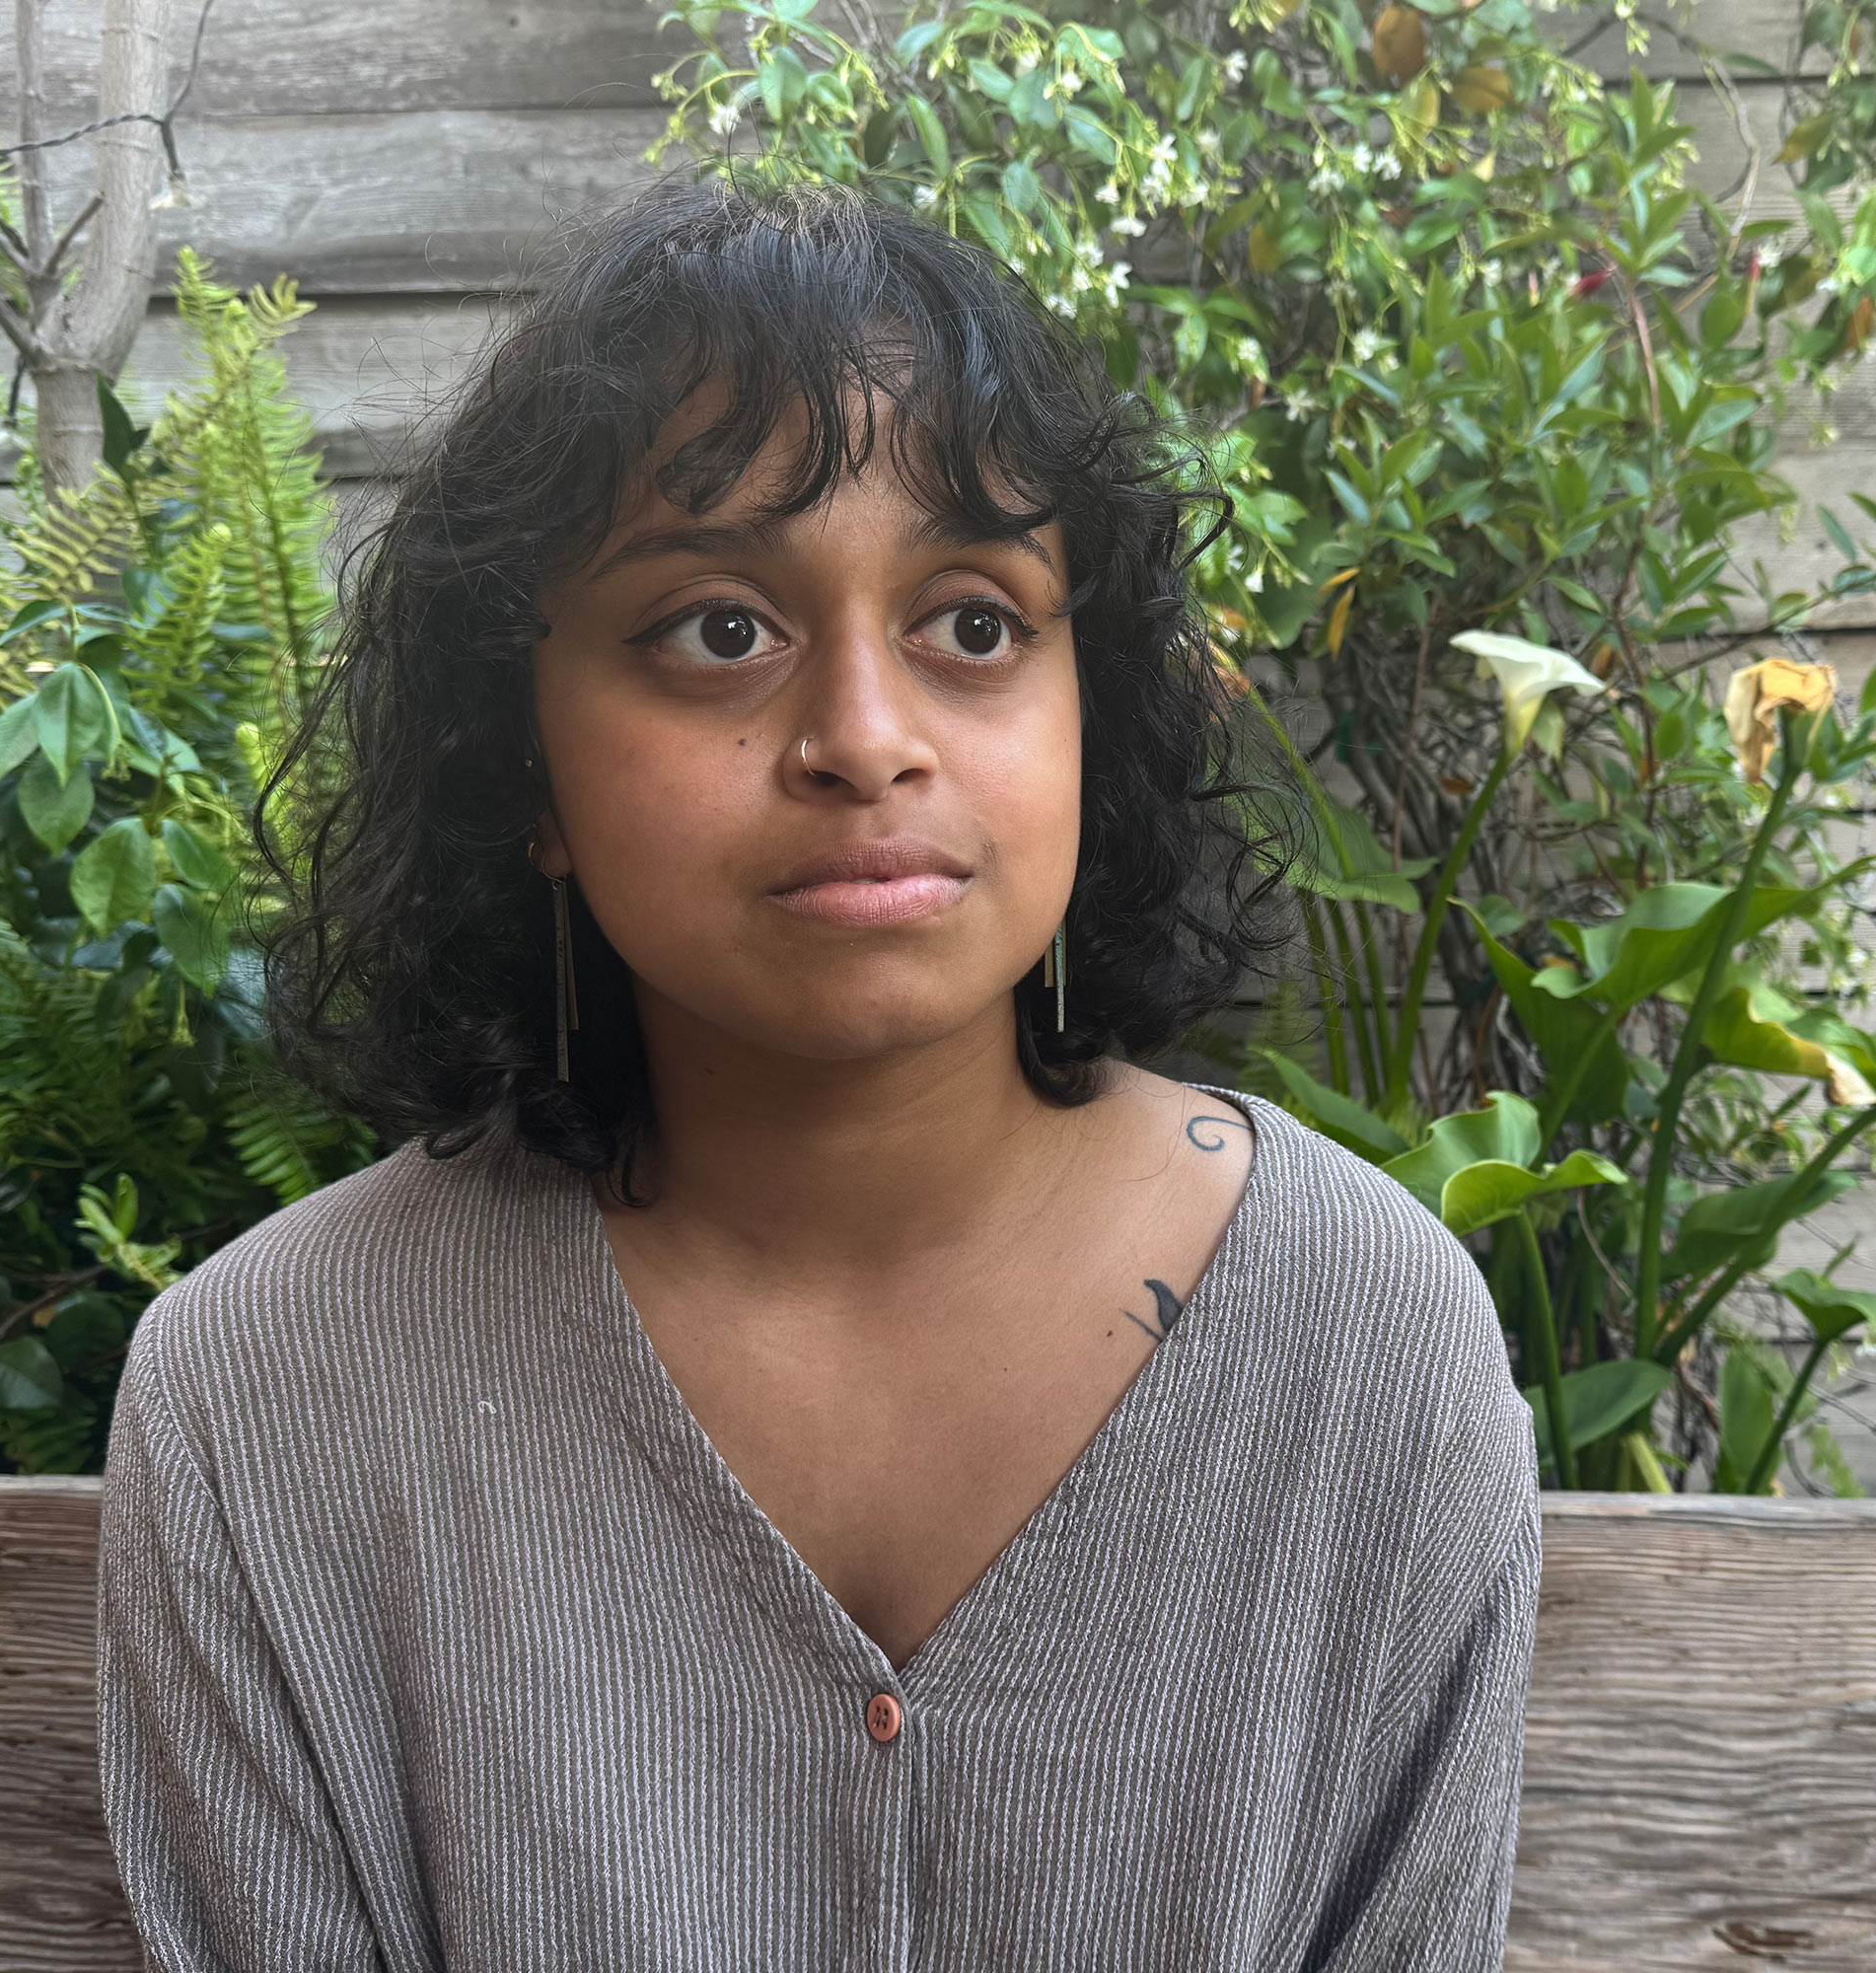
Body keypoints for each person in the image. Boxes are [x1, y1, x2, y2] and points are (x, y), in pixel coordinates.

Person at [95, 177, 1542, 1970]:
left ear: (1091, 710)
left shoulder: (1366, 1348)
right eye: (719, 629)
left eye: (974, 623)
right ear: (522, 761)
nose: (865, 740)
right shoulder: (267, 1408)